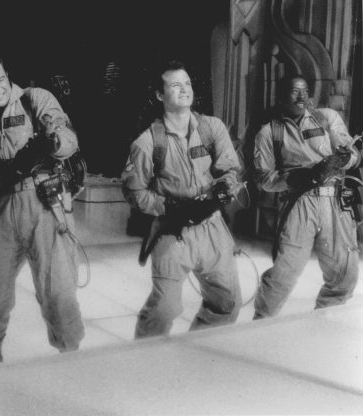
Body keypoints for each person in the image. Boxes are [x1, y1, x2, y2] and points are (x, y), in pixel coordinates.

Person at [0, 50, 84, 365]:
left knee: (57, 285)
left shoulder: (34, 99)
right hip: (4, 201)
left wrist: (52, 142)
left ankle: (70, 354)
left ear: (8, 76)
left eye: (1, 80)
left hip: (44, 200)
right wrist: (1, 167)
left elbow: (68, 137)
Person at [122, 60, 243, 338]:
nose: (184, 89)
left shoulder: (212, 128)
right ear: (159, 94)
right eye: (175, 85)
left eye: (187, 83)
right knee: (164, 309)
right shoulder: (148, 142)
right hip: (173, 231)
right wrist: (167, 206)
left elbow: (231, 169)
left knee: (227, 304)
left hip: (212, 228)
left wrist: (225, 187)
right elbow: (134, 191)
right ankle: (144, 356)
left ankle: (195, 351)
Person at [252, 74, 360, 319]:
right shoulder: (269, 133)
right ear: (281, 96)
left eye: (305, 91)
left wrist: (347, 158)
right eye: (294, 91)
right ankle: (261, 322)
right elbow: (262, 178)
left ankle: (324, 322)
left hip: (334, 199)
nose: (301, 96)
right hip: (300, 201)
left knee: (344, 271)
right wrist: (293, 178)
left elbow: (352, 153)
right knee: (285, 271)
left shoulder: (327, 118)